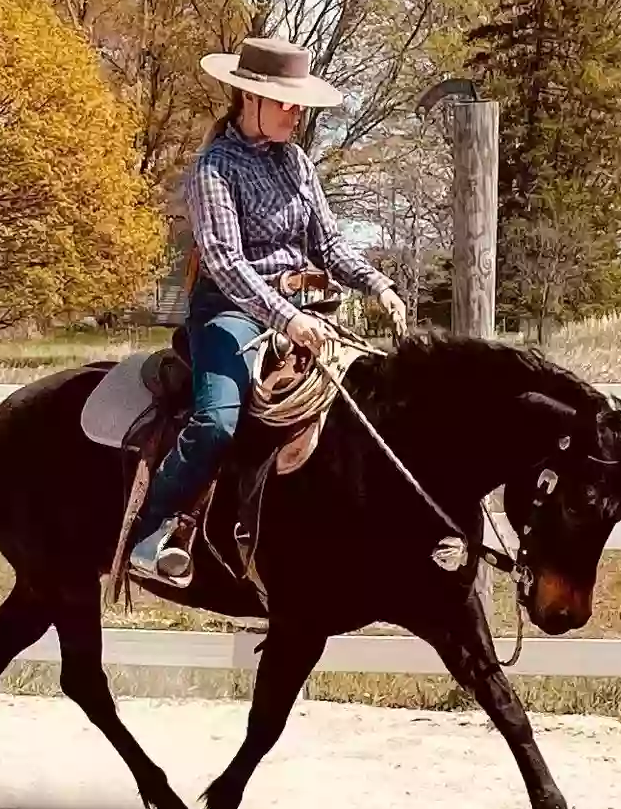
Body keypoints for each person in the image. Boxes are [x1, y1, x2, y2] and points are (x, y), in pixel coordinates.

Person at [127, 36, 411, 586]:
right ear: (248, 98)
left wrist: (378, 285)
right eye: (286, 101)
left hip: (306, 309)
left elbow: (329, 244)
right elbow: (225, 262)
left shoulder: (297, 164)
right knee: (217, 421)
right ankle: (149, 528)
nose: (297, 112)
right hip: (230, 312)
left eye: (300, 102)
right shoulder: (212, 170)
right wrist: (287, 317)